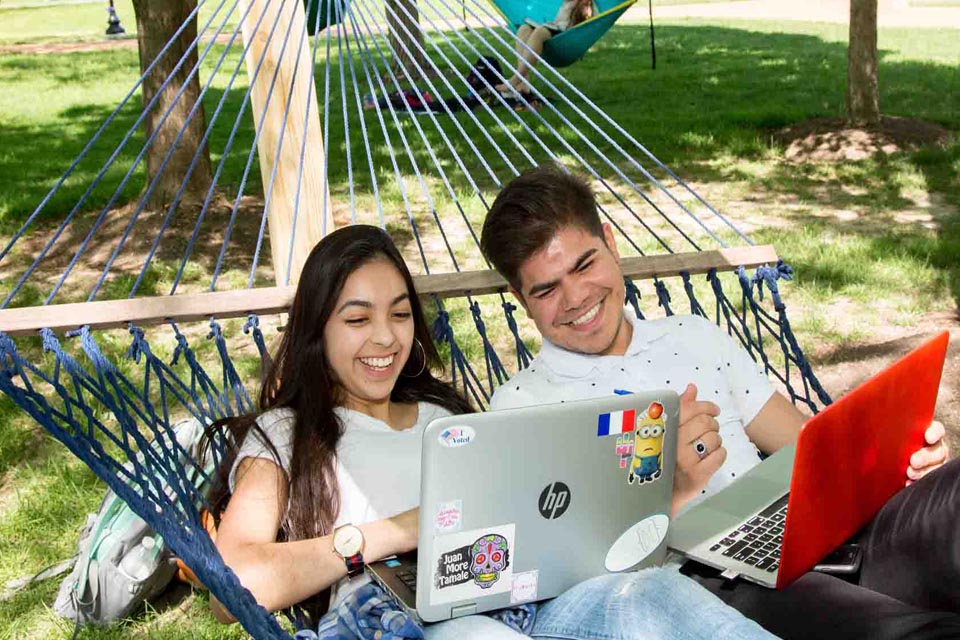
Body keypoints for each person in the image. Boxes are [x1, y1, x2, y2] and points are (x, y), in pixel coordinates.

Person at [203, 224, 776, 639]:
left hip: (526, 598)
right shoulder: (287, 433)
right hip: (404, 617)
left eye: (400, 315)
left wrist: (660, 494)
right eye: (357, 319)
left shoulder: (448, 417)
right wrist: (399, 531)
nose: (384, 338)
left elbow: (552, 528)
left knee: (652, 596)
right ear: (316, 330)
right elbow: (231, 589)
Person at [480, 163, 960, 640]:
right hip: (715, 585)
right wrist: (675, 492)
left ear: (611, 240)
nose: (576, 297)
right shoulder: (521, 410)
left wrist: (896, 460)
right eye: (546, 289)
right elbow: (579, 590)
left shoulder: (693, 335)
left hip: (804, 530)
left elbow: (806, 444)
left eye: (585, 265)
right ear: (519, 298)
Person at [496, 0, 594, 95]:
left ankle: (517, 78)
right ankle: (523, 83)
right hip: (554, 29)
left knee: (540, 31)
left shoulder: (585, 4)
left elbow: (586, 24)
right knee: (523, 29)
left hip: (566, 37)